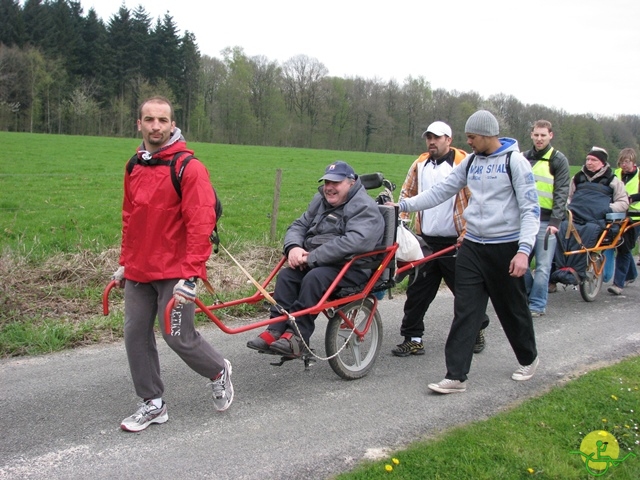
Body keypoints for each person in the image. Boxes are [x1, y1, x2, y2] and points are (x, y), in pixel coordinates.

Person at [396, 110, 541, 394]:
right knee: (466, 310)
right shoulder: (472, 162)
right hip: (473, 245)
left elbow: (530, 209)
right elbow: (441, 191)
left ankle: (528, 358)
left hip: (506, 247)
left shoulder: (515, 162)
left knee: (511, 308)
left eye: (472, 137)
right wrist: (401, 206)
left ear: (487, 135)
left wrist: (524, 251)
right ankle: (456, 376)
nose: (469, 142)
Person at [112, 96, 233, 432]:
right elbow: (129, 217)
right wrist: (124, 262)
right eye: (149, 120)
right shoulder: (133, 165)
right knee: (135, 334)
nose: (155, 126)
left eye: (162, 120)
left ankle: (218, 370)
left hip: (176, 270)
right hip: (140, 269)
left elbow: (200, 221)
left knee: (177, 335)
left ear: (172, 124)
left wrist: (192, 273)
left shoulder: (188, 168)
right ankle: (153, 403)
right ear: (139, 124)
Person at [246, 161, 384, 356]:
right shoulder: (320, 201)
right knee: (287, 276)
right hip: (319, 262)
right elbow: (299, 225)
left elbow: (355, 242)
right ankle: (276, 329)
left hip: (351, 267)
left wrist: (312, 257)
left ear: (351, 183)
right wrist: (293, 248)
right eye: (327, 182)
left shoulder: (365, 207)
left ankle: (297, 337)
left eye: (336, 183)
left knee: (314, 278)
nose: (329, 187)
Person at [392, 121, 489, 357]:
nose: (431, 142)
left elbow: (476, 199)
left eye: (436, 137)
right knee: (417, 292)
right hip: (426, 241)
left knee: (466, 293)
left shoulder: (463, 163)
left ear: (449, 139)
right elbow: (407, 192)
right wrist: (400, 222)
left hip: (457, 242)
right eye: (428, 138)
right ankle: (413, 338)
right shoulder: (420, 163)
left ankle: (476, 328)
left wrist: (469, 232)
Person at [551, 147, 629, 287]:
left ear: (603, 163)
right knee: (560, 230)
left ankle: (577, 271)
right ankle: (558, 272)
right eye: (588, 159)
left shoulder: (613, 181)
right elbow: (568, 198)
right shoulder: (578, 178)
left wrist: (606, 208)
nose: (589, 162)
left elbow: (623, 202)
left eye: (594, 160)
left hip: (596, 220)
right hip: (575, 217)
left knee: (589, 231)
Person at [522, 120, 570, 316]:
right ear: (532, 135)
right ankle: (527, 295)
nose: (539, 139)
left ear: (551, 135)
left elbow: (561, 192)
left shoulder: (558, 160)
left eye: (543, 135)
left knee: (542, 266)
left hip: (547, 221)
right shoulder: (523, 158)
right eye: (536, 135)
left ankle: (537, 305)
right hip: (525, 219)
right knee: (520, 262)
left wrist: (555, 222)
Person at [608, 148, 639, 295]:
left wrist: (632, 198)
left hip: (636, 216)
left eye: (626, 162)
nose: (624, 165)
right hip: (620, 215)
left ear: (633, 162)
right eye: (621, 162)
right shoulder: (616, 174)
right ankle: (631, 274)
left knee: (624, 248)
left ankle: (618, 284)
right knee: (623, 246)